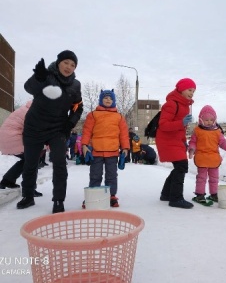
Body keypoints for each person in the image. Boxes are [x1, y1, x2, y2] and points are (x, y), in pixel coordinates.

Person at [16, 50, 83, 213]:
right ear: (59, 62)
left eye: (73, 65)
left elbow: (78, 107)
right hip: (34, 127)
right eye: (66, 62)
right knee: (31, 163)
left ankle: (59, 200)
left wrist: (70, 124)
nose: (69, 67)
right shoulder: (46, 76)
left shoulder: (75, 85)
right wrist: (37, 78)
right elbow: (28, 87)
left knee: (60, 163)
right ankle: (28, 196)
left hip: (57, 128)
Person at [81, 89, 129, 207]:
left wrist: (125, 148)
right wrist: (84, 145)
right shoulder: (92, 114)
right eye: (105, 98)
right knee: (95, 175)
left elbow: (123, 134)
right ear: (100, 99)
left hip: (112, 152)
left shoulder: (119, 116)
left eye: (110, 98)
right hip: (96, 151)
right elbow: (87, 131)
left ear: (114, 101)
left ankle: (111, 196)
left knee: (111, 175)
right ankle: (92, 196)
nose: (108, 100)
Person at [188, 105, 226, 203]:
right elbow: (193, 142)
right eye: (206, 119)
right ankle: (200, 195)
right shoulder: (197, 131)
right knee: (201, 178)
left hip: (213, 160)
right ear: (201, 120)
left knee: (214, 178)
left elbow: (223, 143)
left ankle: (214, 194)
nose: (209, 121)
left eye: (211, 119)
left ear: (215, 120)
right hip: (202, 159)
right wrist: (191, 149)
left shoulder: (217, 132)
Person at [156, 78, 196, 209]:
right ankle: (175, 198)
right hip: (167, 139)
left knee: (180, 167)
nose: (192, 93)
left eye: (194, 91)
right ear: (181, 89)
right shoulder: (172, 104)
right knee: (181, 166)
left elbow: (181, 130)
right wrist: (181, 122)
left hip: (176, 139)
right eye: (189, 90)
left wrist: (184, 142)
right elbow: (163, 125)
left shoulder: (185, 106)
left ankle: (166, 194)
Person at [0, 100, 43, 197]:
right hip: (13, 137)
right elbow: (34, 131)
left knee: (26, 160)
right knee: (32, 159)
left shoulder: (28, 109)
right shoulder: (32, 112)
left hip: (7, 137)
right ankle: (29, 189)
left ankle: (7, 181)